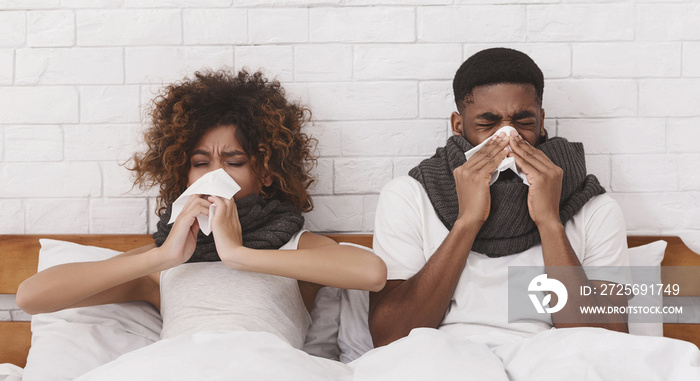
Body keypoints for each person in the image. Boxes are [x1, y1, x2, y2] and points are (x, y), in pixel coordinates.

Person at [362, 48, 699, 380]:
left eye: (523, 121)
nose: (507, 137)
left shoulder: (592, 207)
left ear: (541, 122)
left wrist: (550, 222)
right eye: (488, 122)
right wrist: (467, 222)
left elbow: (606, 337)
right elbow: (391, 336)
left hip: (552, 356)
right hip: (441, 356)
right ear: (458, 124)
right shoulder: (410, 196)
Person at [17, 69, 387, 354]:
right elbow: (32, 297)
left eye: (234, 160)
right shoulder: (164, 261)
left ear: (267, 172)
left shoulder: (293, 247)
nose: (215, 174)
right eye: (200, 162)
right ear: (183, 173)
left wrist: (239, 254)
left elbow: (370, 273)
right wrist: (163, 256)